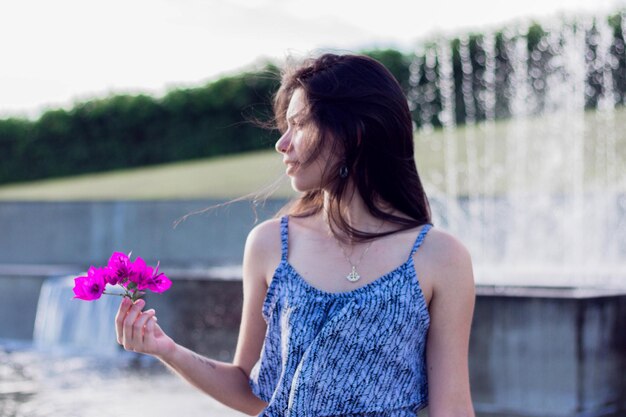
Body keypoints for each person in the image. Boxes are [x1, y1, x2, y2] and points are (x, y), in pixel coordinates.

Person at [115, 53, 476, 417]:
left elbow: (454, 408)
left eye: (299, 124)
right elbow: (250, 389)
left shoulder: (439, 257)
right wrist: (167, 349)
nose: (282, 143)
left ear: (353, 133)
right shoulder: (270, 244)